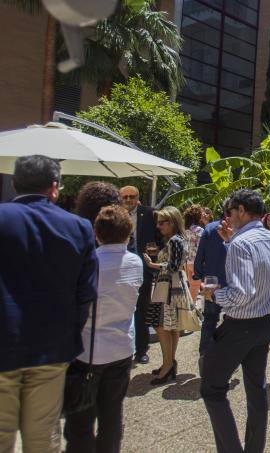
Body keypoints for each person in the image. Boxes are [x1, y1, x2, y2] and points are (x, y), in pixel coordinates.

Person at [0, 155, 97, 453]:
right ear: (54, 188)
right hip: (52, 347)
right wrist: (70, 332)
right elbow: (86, 293)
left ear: (15, 183)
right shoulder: (78, 227)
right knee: (42, 437)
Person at [201, 190, 270, 453]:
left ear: (242, 211)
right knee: (256, 389)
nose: (228, 218)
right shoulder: (269, 236)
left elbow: (242, 292)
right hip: (265, 323)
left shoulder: (240, 243)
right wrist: (230, 242)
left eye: (230, 212)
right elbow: (259, 270)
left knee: (212, 388)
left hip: (240, 326)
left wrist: (214, 294)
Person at [64, 205, 143, 453]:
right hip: (121, 349)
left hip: (88, 351)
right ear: (128, 233)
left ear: (97, 233)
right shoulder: (135, 262)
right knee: (112, 418)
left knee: (81, 422)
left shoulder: (89, 263)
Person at [143, 206, 192, 385]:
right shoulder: (178, 239)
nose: (158, 226)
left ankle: (168, 365)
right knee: (171, 327)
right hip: (174, 286)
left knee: (162, 326)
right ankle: (168, 363)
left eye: (161, 222)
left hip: (169, 287)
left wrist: (152, 264)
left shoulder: (175, 241)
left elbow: (173, 266)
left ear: (171, 222)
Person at [120, 185, 159, 365]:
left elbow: (159, 238)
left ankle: (141, 350)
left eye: (132, 196)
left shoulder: (149, 213)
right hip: (120, 268)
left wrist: (155, 254)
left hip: (143, 268)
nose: (128, 200)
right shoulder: (115, 214)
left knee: (143, 308)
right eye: (125, 197)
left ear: (138, 197)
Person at [193, 215, 228, 357]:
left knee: (209, 320)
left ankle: (205, 356)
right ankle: (225, 357)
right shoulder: (240, 229)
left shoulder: (209, 228)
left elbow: (199, 257)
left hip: (212, 282)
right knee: (232, 322)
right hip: (232, 283)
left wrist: (201, 275)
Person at [183, 204, 205, 300]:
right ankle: (192, 310)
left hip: (187, 262)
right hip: (196, 261)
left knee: (191, 286)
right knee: (195, 288)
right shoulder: (200, 230)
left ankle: (191, 308)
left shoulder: (185, 230)